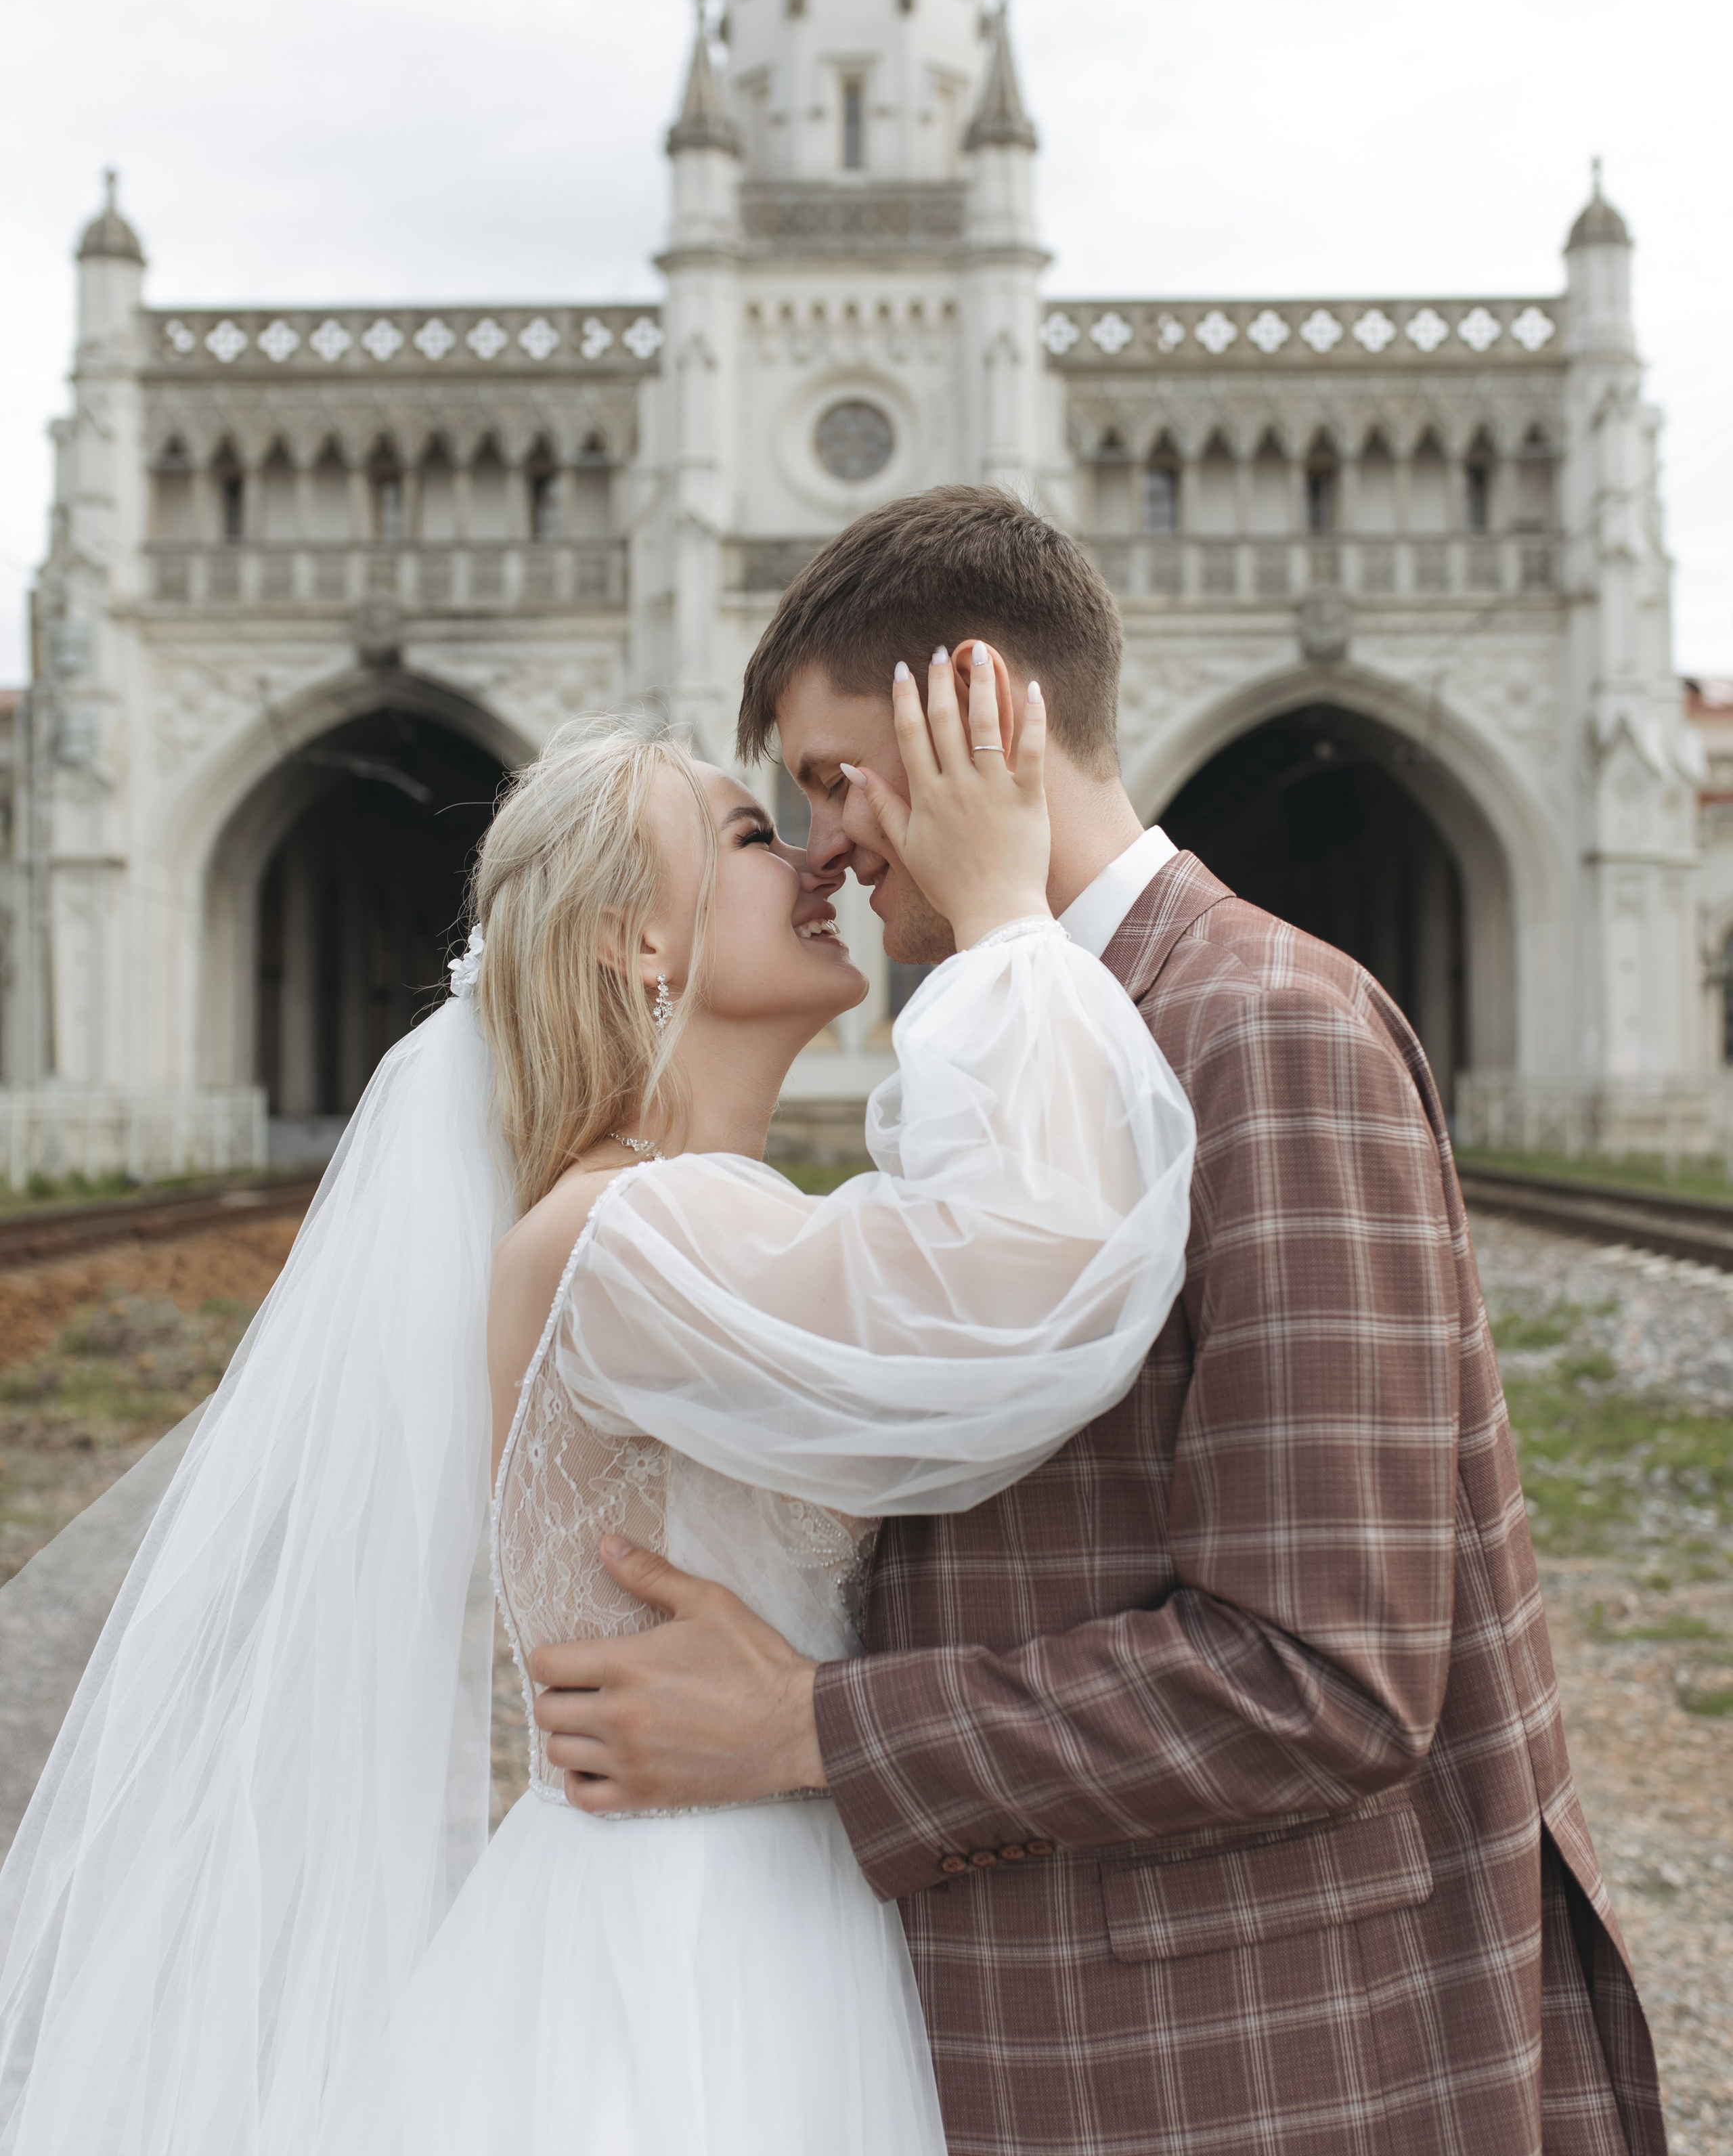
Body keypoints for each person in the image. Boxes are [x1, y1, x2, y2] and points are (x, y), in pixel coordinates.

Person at [529, 485, 1667, 2156]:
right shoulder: (1022, 1037)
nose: (825, 847)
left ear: (982, 711)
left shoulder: (1260, 1027)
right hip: (1037, 2022)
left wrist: (810, 1729)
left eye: (835, 780)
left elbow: (1324, 1679)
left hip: (1244, 2063)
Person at [0, 648, 1195, 2156]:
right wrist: (1009, 914)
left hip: (766, 1905)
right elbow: (1033, 1289)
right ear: (639, 939)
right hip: (686, 1953)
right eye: (750, 834)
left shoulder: (682, 1218)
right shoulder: (625, 1240)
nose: (813, 858)